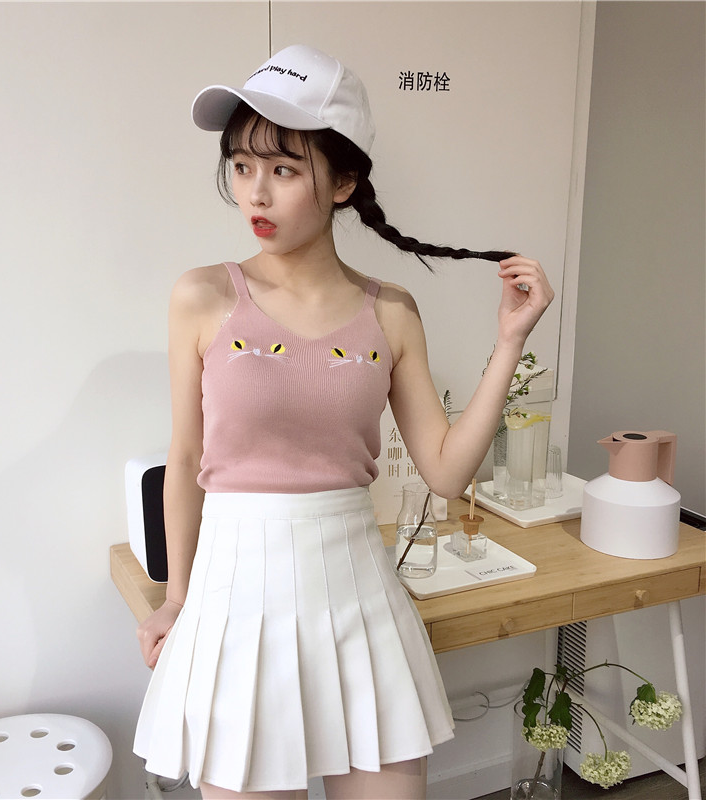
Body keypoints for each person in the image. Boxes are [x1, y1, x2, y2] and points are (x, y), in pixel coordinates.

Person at [134, 44, 554, 800]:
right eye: (241, 165)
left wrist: (509, 342)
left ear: (344, 182)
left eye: (284, 169)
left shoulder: (390, 311)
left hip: (358, 595)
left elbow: (446, 471)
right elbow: (187, 458)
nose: (256, 192)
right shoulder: (201, 296)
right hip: (235, 598)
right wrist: (175, 596)